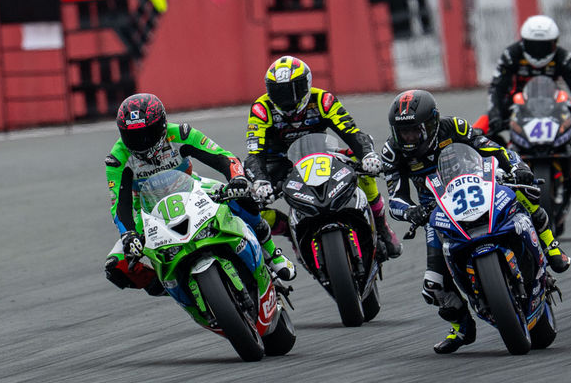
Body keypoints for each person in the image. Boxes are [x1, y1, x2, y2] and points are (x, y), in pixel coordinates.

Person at [382, 89, 569, 354]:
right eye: (403, 132)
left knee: (524, 193)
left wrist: (517, 168)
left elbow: (494, 149)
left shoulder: (455, 127)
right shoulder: (392, 151)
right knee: (434, 285)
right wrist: (412, 212)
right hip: (437, 210)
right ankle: (461, 327)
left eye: (414, 131)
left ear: (431, 124)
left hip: (480, 185)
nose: (408, 138)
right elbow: (395, 198)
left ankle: (551, 246)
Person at [102, 93, 296, 296]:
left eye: (148, 134)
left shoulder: (180, 133)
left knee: (242, 197)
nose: (141, 142)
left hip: (193, 189)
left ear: (162, 126)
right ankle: (169, 286)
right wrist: (128, 234)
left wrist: (237, 179)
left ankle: (271, 253)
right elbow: (119, 204)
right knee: (116, 266)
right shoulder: (117, 158)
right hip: (147, 210)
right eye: (132, 136)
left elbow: (223, 157)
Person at [244, 56, 402, 258]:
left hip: (320, 153)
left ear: (307, 84)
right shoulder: (261, 108)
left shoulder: (323, 99)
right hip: (279, 163)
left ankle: (381, 225)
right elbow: (254, 153)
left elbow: (351, 132)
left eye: (293, 90)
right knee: (248, 205)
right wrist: (260, 181)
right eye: (279, 92)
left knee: (361, 164)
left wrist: (368, 155)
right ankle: (289, 231)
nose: (287, 99)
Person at [486, 15, 571, 197]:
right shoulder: (511, 54)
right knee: (479, 130)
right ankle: (492, 177)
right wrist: (494, 114)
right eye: (533, 46)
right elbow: (496, 87)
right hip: (515, 102)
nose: (539, 52)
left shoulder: (564, 57)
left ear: (555, 43)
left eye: (545, 46)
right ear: (523, 42)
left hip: (553, 100)